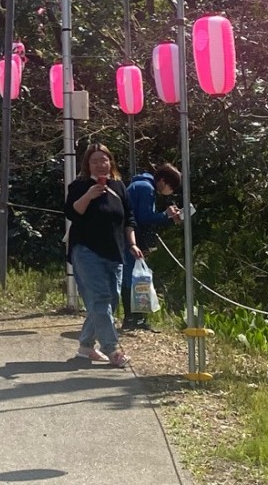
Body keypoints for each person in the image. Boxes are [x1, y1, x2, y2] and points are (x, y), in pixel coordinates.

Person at [64, 142, 142, 368]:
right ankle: (112, 349)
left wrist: (133, 244)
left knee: (111, 300)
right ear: (87, 164)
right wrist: (89, 195)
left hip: (115, 251)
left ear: (111, 162)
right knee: (100, 299)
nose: (100, 165)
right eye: (94, 161)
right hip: (86, 251)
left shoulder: (119, 186)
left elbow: (129, 218)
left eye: (103, 160)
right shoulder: (79, 186)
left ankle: (86, 346)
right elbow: (71, 212)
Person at [121, 162, 183, 331]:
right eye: (171, 186)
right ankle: (132, 319)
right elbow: (145, 217)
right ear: (162, 181)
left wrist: (166, 216)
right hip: (130, 237)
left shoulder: (139, 184)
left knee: (134, 276)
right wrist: (166, 215)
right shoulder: (146, 188)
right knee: (132, 278)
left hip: (128, 235)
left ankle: (135, 318)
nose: (170, 190)